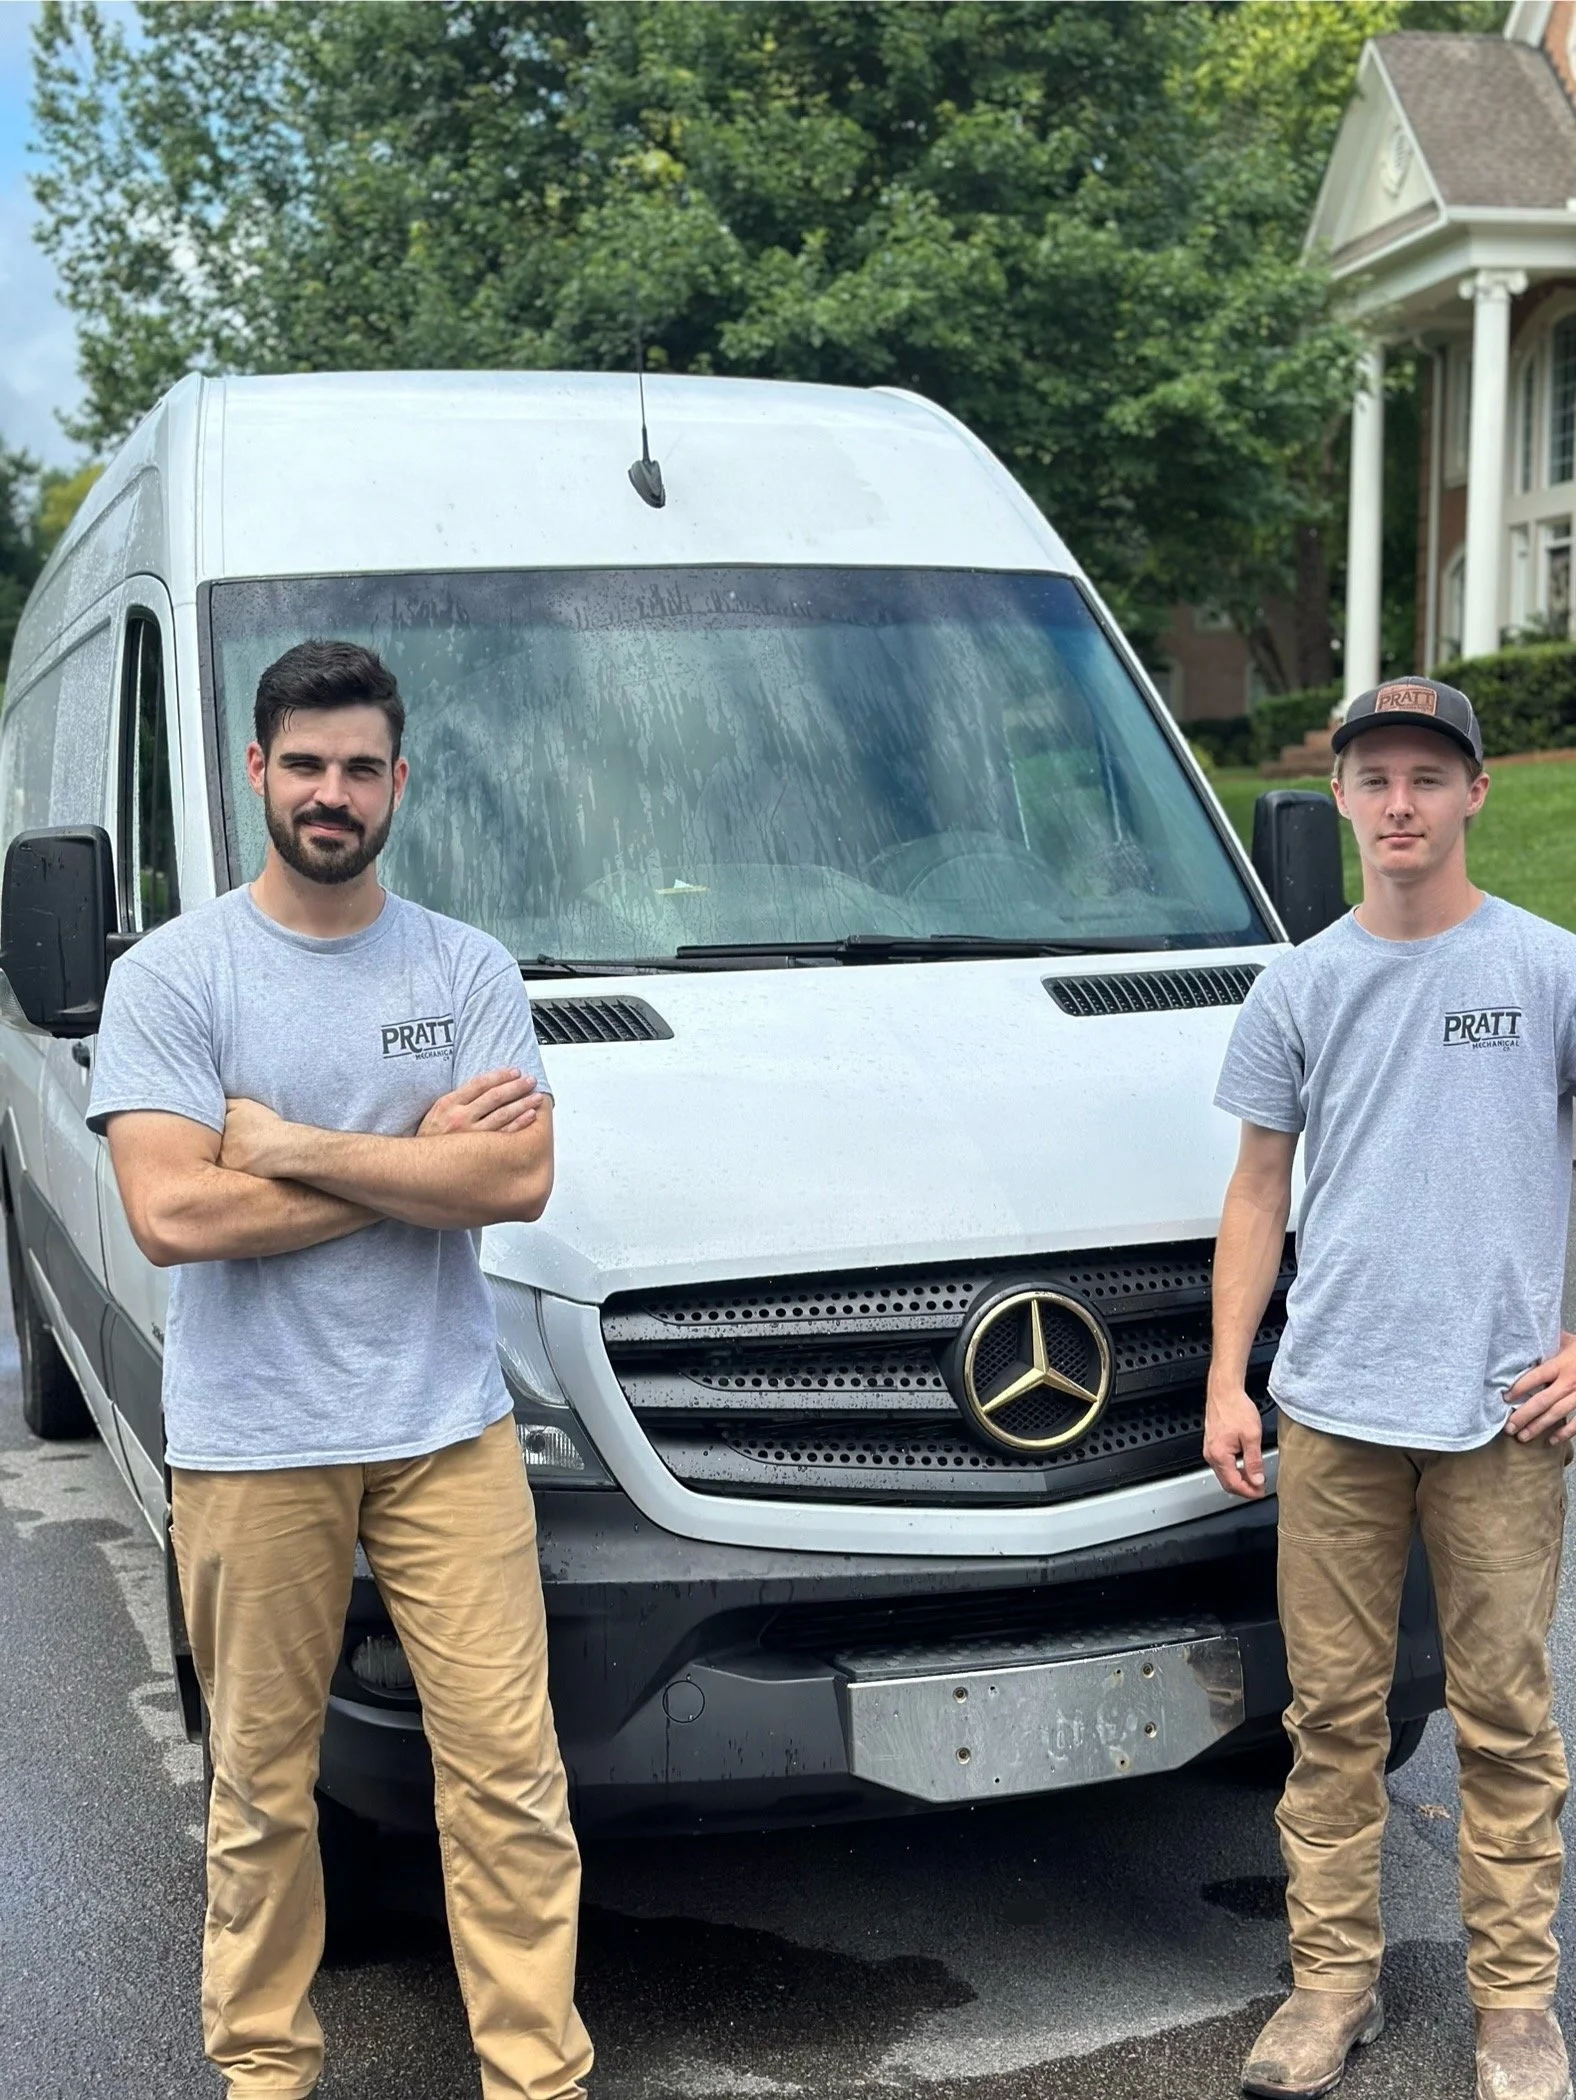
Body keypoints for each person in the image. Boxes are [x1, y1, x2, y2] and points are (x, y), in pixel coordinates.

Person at [88, 639, 592, 2100]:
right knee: (260, 1794)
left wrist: (295, 1143)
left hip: (449, 1428)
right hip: (253, 1442)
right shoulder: (178, 976)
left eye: (359, 767)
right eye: (303, 764)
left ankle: (536, 2078)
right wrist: (422, 1163)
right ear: (256, 771)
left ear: (398, 781)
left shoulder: (463, 965)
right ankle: (263, 2072)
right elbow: (175, 1211)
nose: (330, 792)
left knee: (507, 1782)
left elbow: (524, 1178)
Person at [1205, 677, 1576, 2100]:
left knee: (1505, 1720)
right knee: (1333, 1723)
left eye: (1429, 776)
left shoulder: (1545, 971)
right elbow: (1254, 1194)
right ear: (1347, 799)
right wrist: (1231, 1383)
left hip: (1498, 1417)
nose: (1401, 803)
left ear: (1475, 792)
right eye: (1377, 780)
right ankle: (1329, 1988)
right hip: (1334, 1408)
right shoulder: (1300, 983)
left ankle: (1517, 2006)